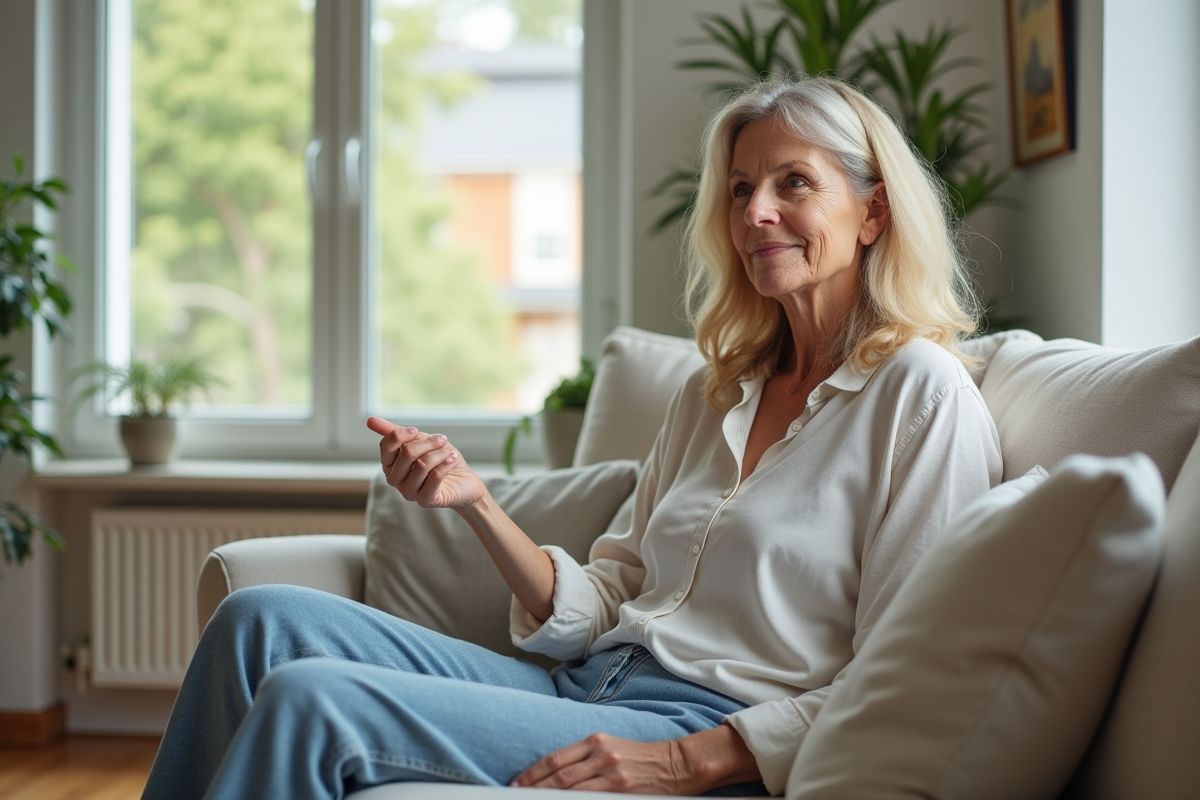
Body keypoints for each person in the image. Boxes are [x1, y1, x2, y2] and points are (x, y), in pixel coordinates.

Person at [142, 75, 1001, 800]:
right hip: (583, 684)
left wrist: (684, 760)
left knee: (314, 703)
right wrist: (475, 503)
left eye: (794, 183)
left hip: (702, 728)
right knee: (258, 620)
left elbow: (907, 677)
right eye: (741, 189)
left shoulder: (920, 397)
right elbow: (609, 595)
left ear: (873, 212)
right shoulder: (713, 393)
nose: (756, 213)